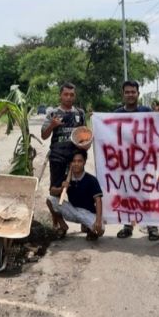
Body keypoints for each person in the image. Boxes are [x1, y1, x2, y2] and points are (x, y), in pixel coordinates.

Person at [113, 81, 159, 241]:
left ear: (138, 94)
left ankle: (151, 226)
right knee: (126, 193)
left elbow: (157, 129)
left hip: (143, 161)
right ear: (123, 94)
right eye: (127, 92)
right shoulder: (117, 113)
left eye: (133, 92)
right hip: (124, 162)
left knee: (144, 194)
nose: (130, 95)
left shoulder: (146, 111)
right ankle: (128, 225)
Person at [41, 83, 86, 234]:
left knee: (79, 190)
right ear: (60, 95)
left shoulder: (80, 113)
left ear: (75, 96)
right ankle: (58, 223)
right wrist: (52, 125)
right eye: (65, 94)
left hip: (76, 159)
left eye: (71, 95)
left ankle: (84, 222)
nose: (68, 97)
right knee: (55, 191)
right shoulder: (53, 113)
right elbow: (44, 135)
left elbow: (85, 135)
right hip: (57, 157)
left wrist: (85, 146)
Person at [46, 150, 104, 240]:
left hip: (86, 213)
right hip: (72, 210)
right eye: (73, 161)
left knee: (100, 230)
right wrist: (61, 189)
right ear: (70, 163)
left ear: (84, 162)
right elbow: (52, 191)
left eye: (79, 161)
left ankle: (89, 229)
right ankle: (63, 225)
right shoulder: (66, 178)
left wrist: (98, 221)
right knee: (50, 200)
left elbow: (98, 200)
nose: (76, 164)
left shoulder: (91, 179)